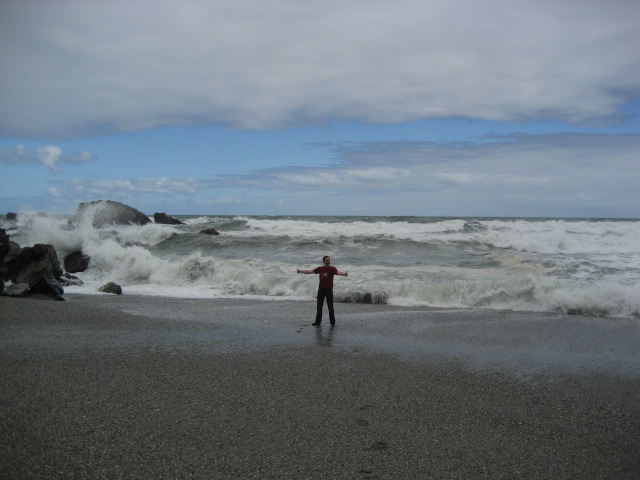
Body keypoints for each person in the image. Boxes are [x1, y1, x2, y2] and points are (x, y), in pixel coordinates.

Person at [297, 256, 348, 326]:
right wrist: (301, 271)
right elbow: (310, 271)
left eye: (329, 260)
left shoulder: (332, 269)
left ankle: (332, 323)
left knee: (330, 307)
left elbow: (338, 272)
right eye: (327, 260)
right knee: (319, 307)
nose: (328, 261)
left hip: (329, 291)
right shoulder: (320, 268)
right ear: (323, 261)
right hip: (321, 290)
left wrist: (344, 274)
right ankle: (317, 322)